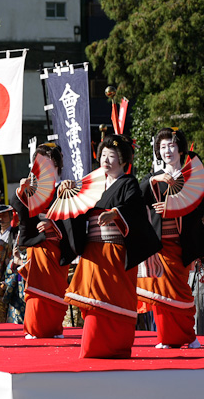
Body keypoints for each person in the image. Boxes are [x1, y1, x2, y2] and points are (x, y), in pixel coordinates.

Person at [63, 135, 161, 358]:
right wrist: (68, 192)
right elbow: (77, 209)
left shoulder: (128, 183)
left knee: (114, 298)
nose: (106, 160)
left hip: (115, 251)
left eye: (113, 156)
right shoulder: (92, 183)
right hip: (93, 251)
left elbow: (135, 209)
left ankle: (116, 345)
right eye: (104, 155)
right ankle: (92, 346)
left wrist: (116, 213)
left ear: (123, 160)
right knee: (93, 302)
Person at [136, 128, 204, 349]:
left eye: (171, 145)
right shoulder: (153, 177)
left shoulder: (191, 177)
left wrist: (175, 208)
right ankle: (166, 338)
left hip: (182, 242)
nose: (167, 150)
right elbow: (138, 199)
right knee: (160, 292)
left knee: (181, 289)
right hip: (159, 245)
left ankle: (188, 335)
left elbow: (201, 209)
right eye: (162, 147)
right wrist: (154, 180)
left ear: (180, 149)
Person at [11, 144, 77, 338]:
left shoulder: (66, 187)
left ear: (56, 164)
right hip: (38, 245)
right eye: (38, 162)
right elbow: (20, 212)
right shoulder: (34, 187)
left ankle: (55, 327)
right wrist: (22, 191)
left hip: (57, 245)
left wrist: (53, 224)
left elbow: (74, 218)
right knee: (35, 289)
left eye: (46, 161)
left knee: (55, 290)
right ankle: (33, 328)